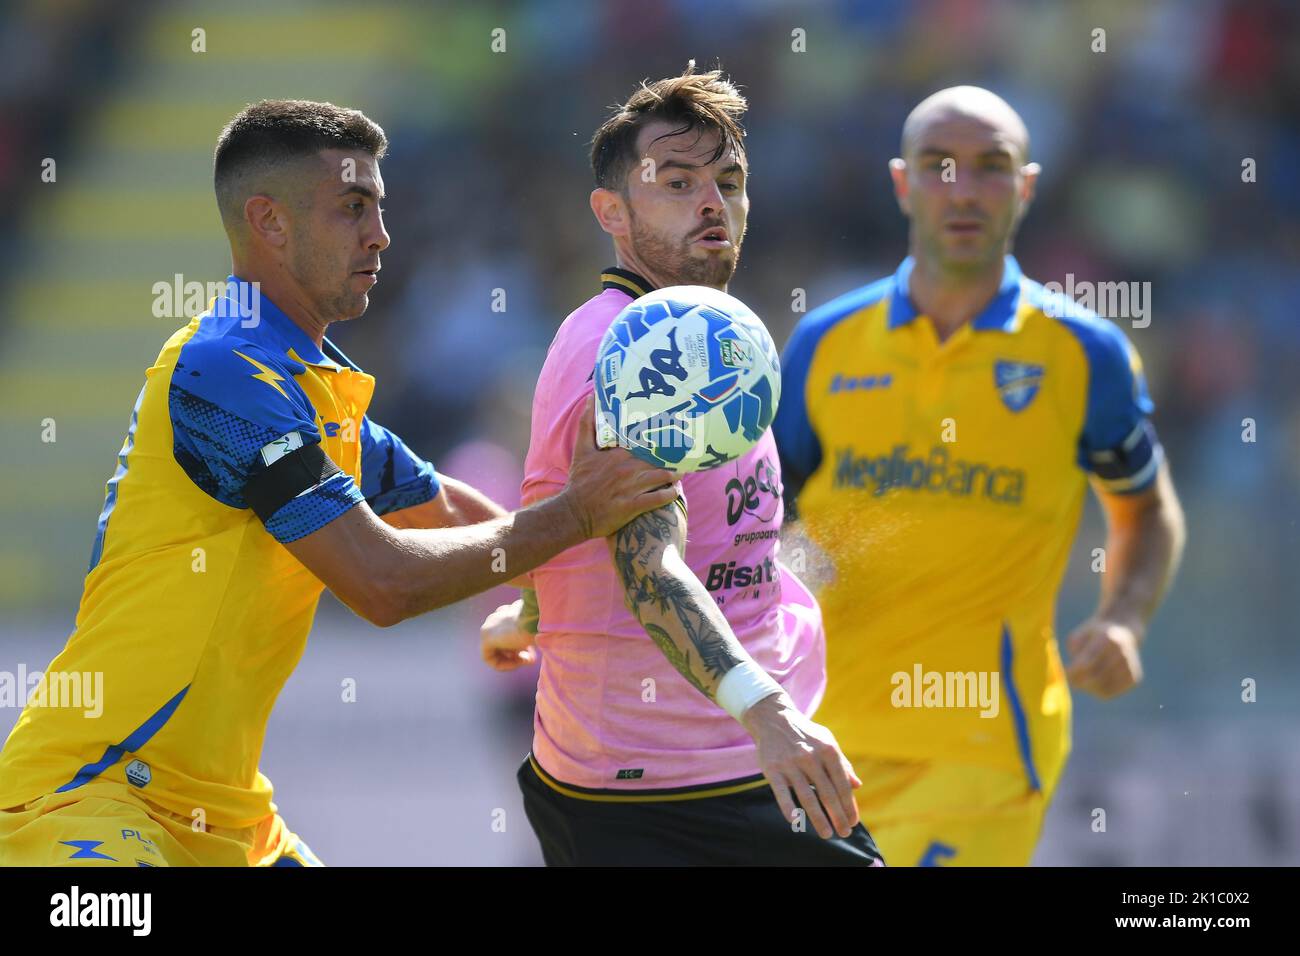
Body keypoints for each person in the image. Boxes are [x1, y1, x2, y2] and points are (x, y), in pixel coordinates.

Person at [0, 99, 677, 867]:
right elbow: (382, 581)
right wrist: (581, 511)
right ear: (271, 223)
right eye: (353, 209)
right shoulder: (224, 371)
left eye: (380, 209)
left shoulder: (317, 391)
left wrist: (579, 598)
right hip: (89, 800)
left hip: (223, 819)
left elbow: (454, 512)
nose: (381, 234)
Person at [773, 86, 1187, 866]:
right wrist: (799, 567)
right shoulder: (825, 343)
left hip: (986, 750)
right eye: (939, 166)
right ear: (902, 182)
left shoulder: (1081, 354)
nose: (963, 189)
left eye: (991, 167)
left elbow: (1149, 509)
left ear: (1027, 186)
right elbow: (764, 514)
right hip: (825, 743)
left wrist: (1125, 616)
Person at [480, 67, 883, 866]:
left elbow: (581, 508)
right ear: (612, 213)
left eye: (728, 182)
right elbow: (650, 566)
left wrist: (531, 612)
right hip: (696, 783)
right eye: (676, 182)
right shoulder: (642, 350)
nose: (711, 203)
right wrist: (768, 713)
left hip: (643, 775)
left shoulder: (690, 328)